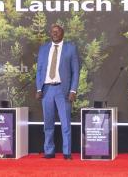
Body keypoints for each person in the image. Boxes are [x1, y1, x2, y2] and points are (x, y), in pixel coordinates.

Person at [35, 24, 80, 160]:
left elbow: (75, 71)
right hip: (47, 89)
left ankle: (67, 153)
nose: (54, 33)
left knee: (65, 123)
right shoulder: (43, 49)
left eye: (57, 31)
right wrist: (38, 88)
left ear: (62, 33)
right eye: (53, 31)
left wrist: (73, 90)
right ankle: (49, 151)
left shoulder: (70, 48)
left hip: (63, 90)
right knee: (47, 123)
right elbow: (39, 70)